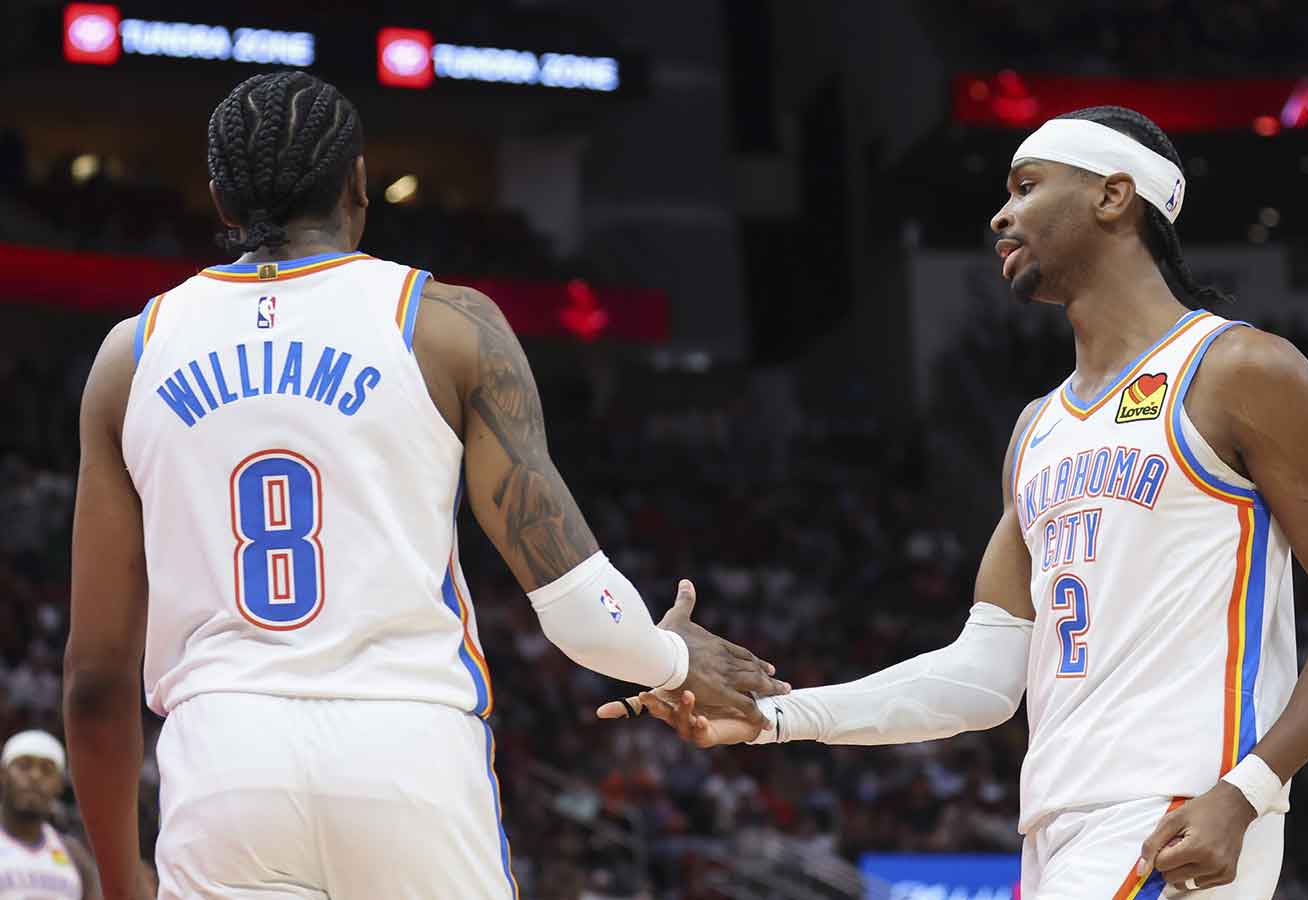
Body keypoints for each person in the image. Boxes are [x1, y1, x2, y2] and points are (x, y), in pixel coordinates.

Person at [601, 105, 1308, 899]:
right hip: (1056, 820)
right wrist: (775, 714)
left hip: (1179, 809)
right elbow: (984, 676)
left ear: (1113, 196)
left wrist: (1251, 789)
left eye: (1025, 187)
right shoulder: (1037, 429)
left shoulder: (1239, 369)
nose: (1000, 213)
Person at [62, 70, 783, 900]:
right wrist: (667, 657)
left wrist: (120, 877)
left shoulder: (130, 356)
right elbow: (582, 609)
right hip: (405, 753)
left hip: (223, 762)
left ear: (221, 200)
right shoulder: (447, 323)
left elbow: (94, 680)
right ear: (360, 182)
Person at [0, 731, 99, 899]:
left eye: (46, 770)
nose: (35, 776)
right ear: (3, 775)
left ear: (59, 784)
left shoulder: (75, 855)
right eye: (24, 766)